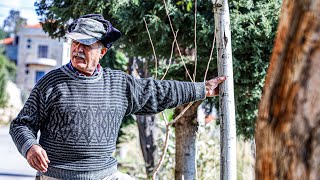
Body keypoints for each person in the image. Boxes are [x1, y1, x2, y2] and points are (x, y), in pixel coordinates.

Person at [9, 14, 226, 180]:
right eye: (75, 43)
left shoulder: (119, 84)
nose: (77, 49)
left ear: (102, 52)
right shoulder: (51, 83)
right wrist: (30, 147)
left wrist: (202, 90)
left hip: (105, 175)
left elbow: (158, 92)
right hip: (58, 176)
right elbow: (21, 125)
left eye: (86, 45)